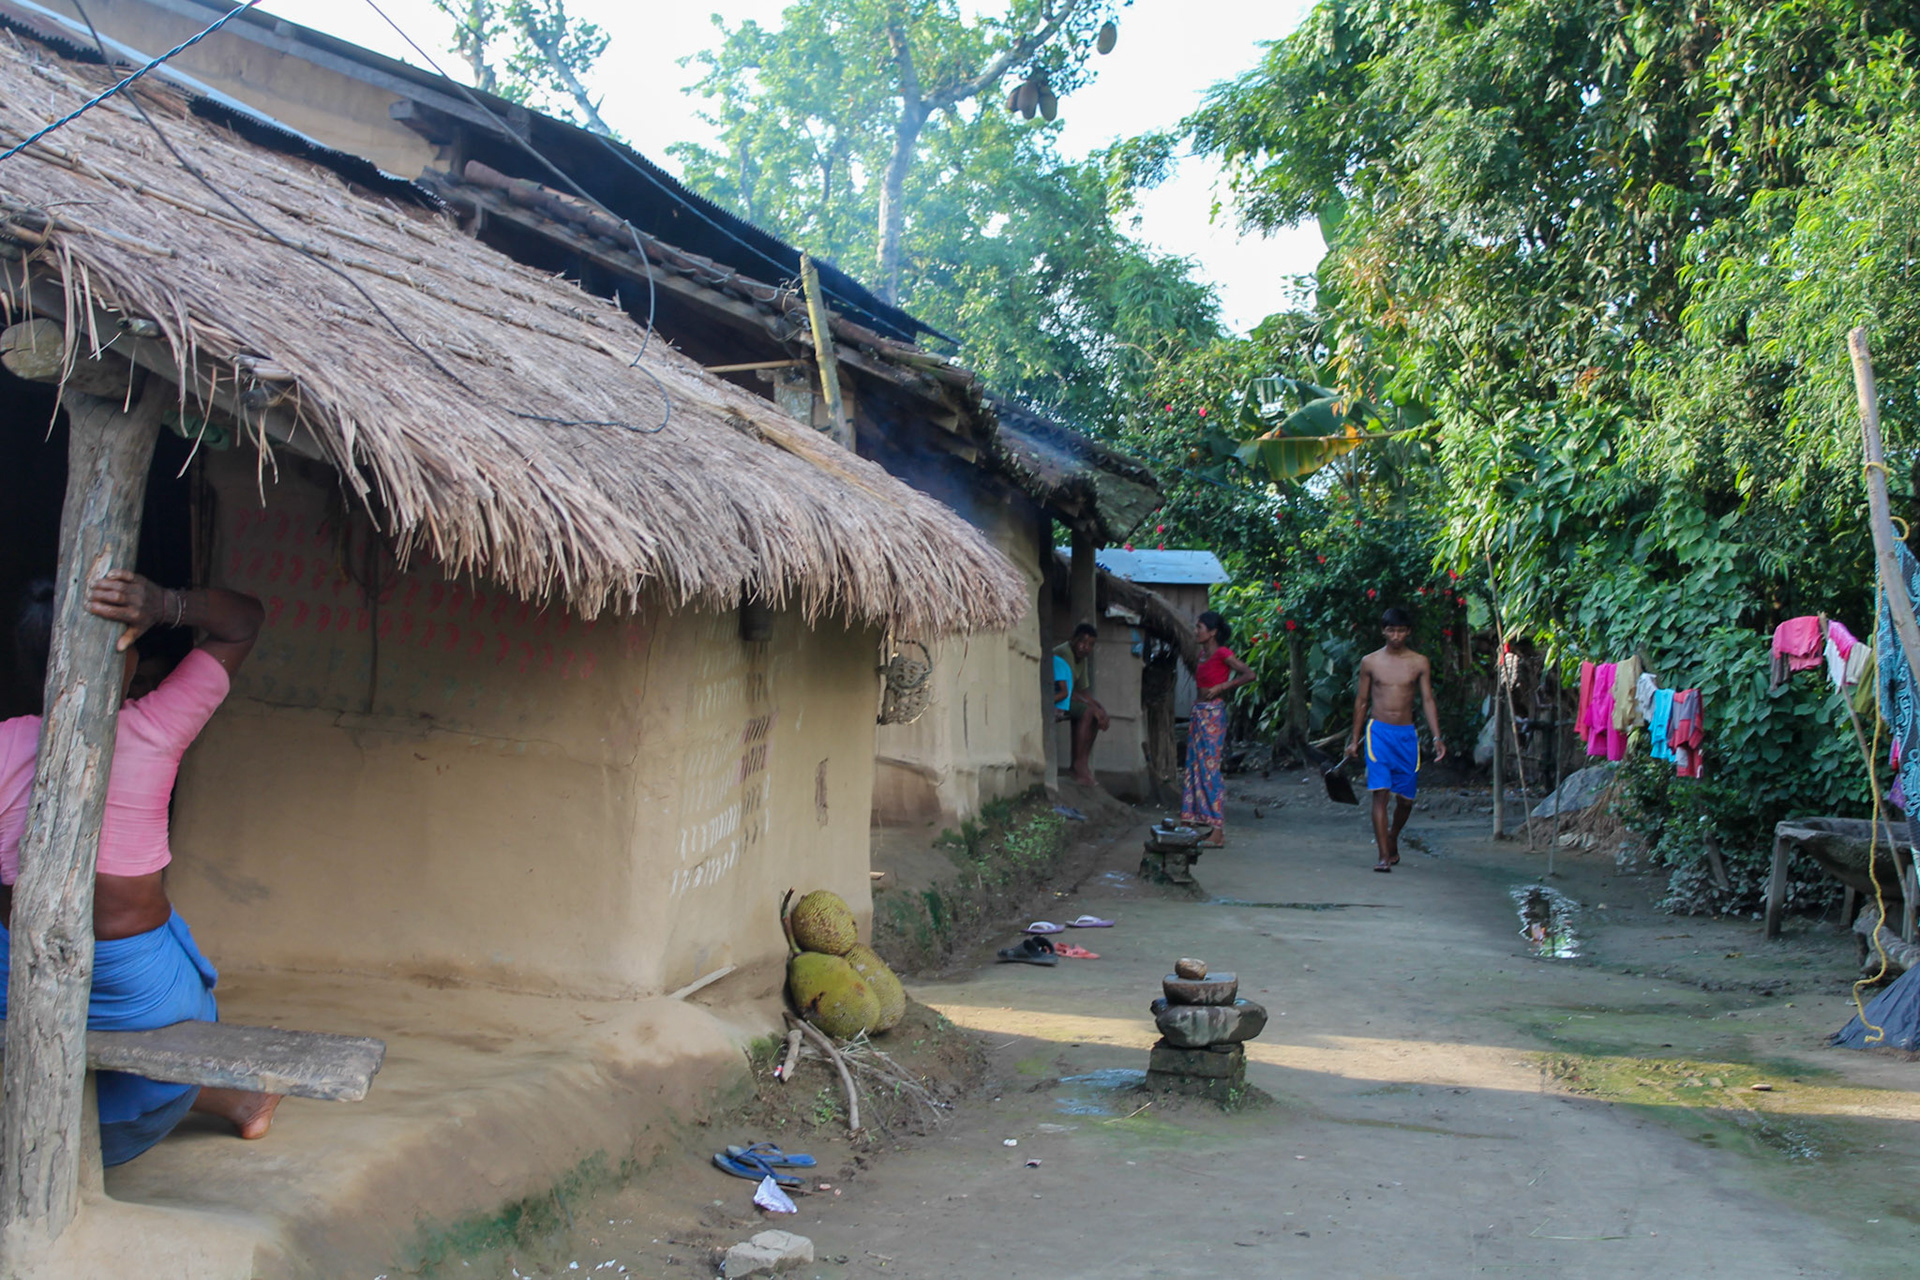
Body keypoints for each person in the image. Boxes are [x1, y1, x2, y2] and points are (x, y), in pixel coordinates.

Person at [0, 570, 277, 1165]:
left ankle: (235, 1096)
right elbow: (243, 621)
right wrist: (164, 604)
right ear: (123, 659)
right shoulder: (156, 727)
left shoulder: (5, 744)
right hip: (142, 990)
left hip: (18, 971)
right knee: (161, 1024)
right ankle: (235, 1095)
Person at [1345, 607, 1446, 873]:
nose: (1396, 636)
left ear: (1408, 632)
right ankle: (1382, 856)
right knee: (1380, 794)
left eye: (1401, 631)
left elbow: (1427, 700)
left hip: (1406, 735)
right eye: (1391, 630)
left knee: (1405, 800)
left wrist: (1437, 736)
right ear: (1383, 631)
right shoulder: (1370, 662)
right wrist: (1354, 740)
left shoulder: (1419, 662)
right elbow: (1362, 701)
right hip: (1378, 733)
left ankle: (1392, 836)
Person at [1182, 611, 1255, 847]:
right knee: (1195, 767)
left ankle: (1217, 831)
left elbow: (1249, 674)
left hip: (1213, 715)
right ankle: (1196, 821)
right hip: (1199, 713)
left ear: (1212, 632)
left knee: (1210, 770)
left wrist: (1223, 686)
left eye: (1199, 627)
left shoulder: (1223, 653)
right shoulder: (1203, 655)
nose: (1196, 631)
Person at [1053, 623, 1108, 786]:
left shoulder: (1081, 659)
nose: (1086, 647)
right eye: (1083, 642)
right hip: (1054, 699)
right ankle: (1078, 766)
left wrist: (1102, 710)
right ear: (1073, 640)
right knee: (1088, 712)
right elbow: (1069, 691)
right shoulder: (1065, 653)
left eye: (1090, 644)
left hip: (1065, 699)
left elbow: (1083, 692)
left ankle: (1082, 763)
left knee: (1094, 714)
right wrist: (1094, 709)